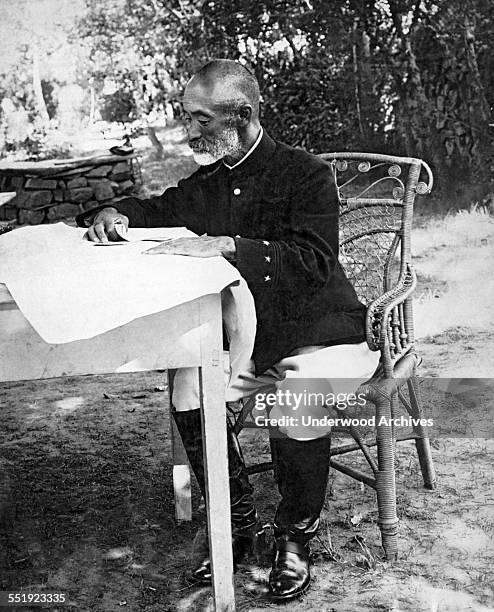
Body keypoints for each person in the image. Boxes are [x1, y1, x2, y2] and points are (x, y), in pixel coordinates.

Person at [77, 59, 379, 601]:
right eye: (187, 117)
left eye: (200, 120)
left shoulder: (306, 174)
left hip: (323, 332)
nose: (189, 131)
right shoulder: (210, 181)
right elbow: (157, 210)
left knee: (297, 395)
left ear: (239, 116)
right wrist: (116, 211)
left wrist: (229, 246)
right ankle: (237, 526)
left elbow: (313, 262)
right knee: (189, 386)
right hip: (248, 339)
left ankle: (295, 535)